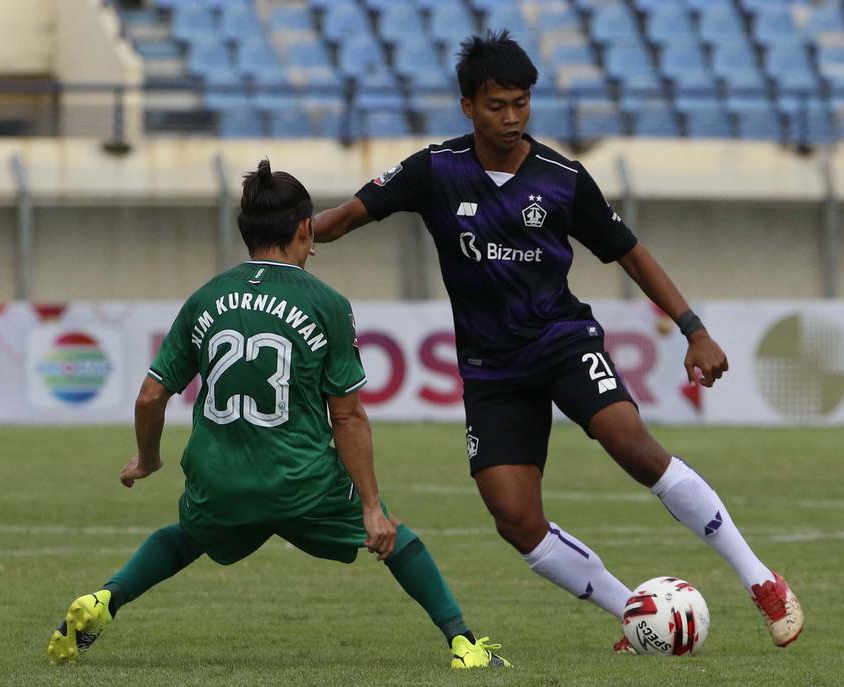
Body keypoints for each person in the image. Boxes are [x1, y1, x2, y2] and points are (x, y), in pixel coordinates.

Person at [311, 31, 803, 650]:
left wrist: (694, 329)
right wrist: (283, 230)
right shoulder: (435, 170)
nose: (512, 117)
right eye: (497, 105)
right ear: (468, 105)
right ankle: (638, 614)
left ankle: (761, 580)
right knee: (515, 519)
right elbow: (339, 222)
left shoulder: (562, 178)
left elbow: (631, 253)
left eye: (521, 103)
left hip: (562, 342)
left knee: (636, 449)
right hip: (491, 369)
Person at [46, 160, 509, 669]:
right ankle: (463, 642)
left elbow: (149, 397)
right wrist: (371, 505)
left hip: (220, 480)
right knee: (395, 536)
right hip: (301, 481)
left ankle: (105, 601)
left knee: (186, 537)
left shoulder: (206, 298)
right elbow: (348, 416)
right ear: (306, 229)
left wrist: (148, 460)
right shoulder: (325, 303)